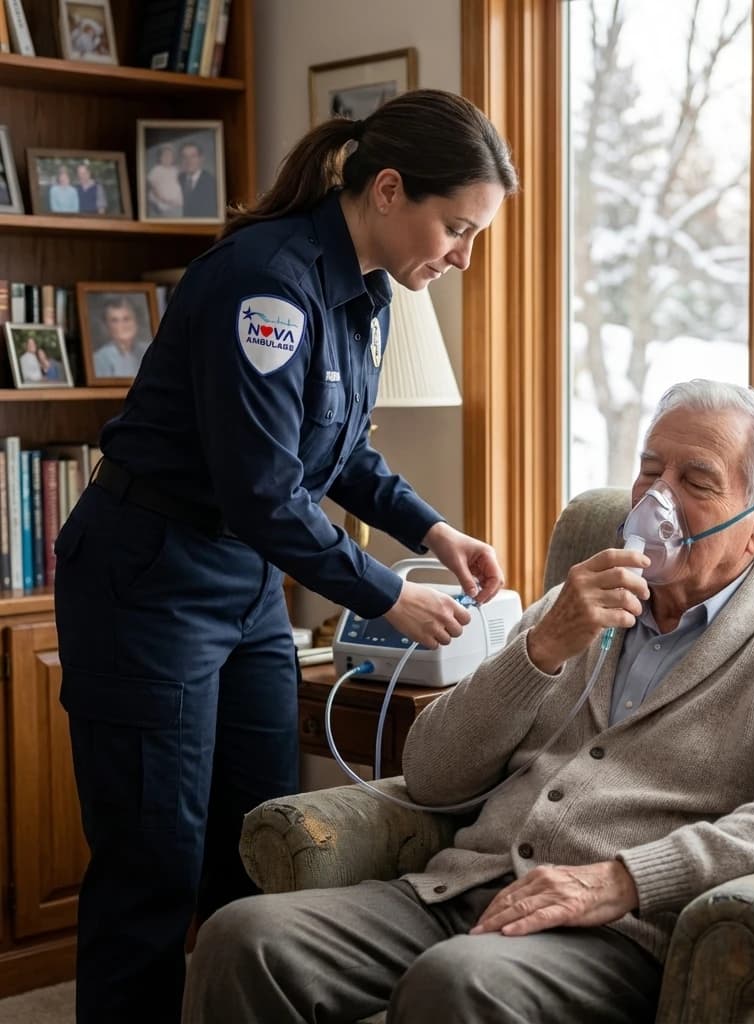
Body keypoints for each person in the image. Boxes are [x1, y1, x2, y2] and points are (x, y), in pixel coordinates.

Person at [182, 380, 754, 1024]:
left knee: (456, 983)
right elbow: (429, 774)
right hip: (454, 895)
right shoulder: (570, 607)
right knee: (244, 936)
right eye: (649, 469)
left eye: (694, 480)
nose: (656, 498)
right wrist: (540, 649)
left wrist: (626, 880)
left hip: (611, 936)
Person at [53, 88, 518, 1024]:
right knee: (153, 863)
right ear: (390, 190)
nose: (462, 257)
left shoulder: (367, 293)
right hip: (149, 577)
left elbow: (339, 452)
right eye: (457, 230)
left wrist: (433, 531)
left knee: (256, 844)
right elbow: (263, 490)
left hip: (244, 585)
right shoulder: (263, 284)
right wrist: (390, 596)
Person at [90, 296, 152, 378]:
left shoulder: (150, 350)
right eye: (114, 321)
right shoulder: (99, 359)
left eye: (126, 319)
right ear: (106, 326)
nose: (122, 325)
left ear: (136, 321)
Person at [178, 141, 218, 218]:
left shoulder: (212, 182)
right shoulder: (177, 179)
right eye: (184, 157)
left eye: (193, 156)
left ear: (201, 158)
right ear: (180, 160)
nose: (188, 160)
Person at [146, 144, 184, 218]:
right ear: (160, 158)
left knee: (181, 198)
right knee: (160, 202)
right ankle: (158, 205)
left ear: (173, 159)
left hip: (173, 191)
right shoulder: (156, 169)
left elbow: (180, 176)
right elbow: (153, 184)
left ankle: (172, 203)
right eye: (164, 156)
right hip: (160, 192)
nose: (167, 158)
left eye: (170, 156)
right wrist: (160, 196)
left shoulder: (174, 169)